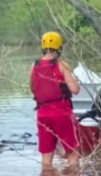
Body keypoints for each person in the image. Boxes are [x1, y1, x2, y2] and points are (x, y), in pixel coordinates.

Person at [31, 32, 81, 167]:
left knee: (46, 158)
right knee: (73, 154)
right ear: (59, 48)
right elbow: (75, 90)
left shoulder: (34, 66)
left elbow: (33, 89)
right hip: (62, 113)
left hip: (42, 115)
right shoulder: (62, 65)